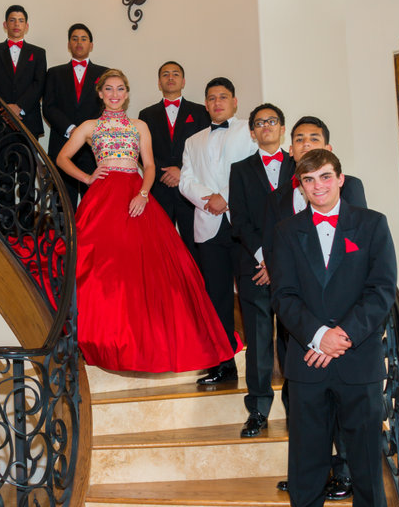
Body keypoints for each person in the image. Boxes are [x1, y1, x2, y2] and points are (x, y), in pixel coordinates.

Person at [56, 69, 238, 373]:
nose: (115, 95)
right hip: (102, 198)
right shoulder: (89, 126)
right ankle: (104, 336)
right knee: (101, 266)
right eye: (109, 90)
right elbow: (62, 158)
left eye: (120, 89)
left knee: (152, 267)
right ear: (100, 93)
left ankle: (146, 336)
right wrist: (87, 177)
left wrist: (142, 193)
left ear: (127, 94)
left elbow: (150, 166)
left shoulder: (139, 125)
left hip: (135, 194)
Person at [270, 149, 396, 507]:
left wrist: (340, 336)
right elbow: (283, 296)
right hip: (307, 362)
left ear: (341, 179)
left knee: (364, 461)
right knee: (307, 459)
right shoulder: (284, 232)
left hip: (358, 361)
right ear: (300, 187)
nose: (318, 186)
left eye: (325, 177)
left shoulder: (372, 224)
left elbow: (381, 290)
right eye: (309, 181)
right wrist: (317, 335)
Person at [263, 115, 367, 498]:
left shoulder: (349, 187)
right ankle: (310, 470)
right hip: (294, 318)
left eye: (315, 138)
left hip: (338, 326)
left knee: (340, 401)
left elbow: (355, 257)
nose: (307, 144)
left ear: (329, 149)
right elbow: (272, 244)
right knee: (298, 396)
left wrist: (331, 333)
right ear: (291, 150)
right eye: (300, 139)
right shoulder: (278, 197)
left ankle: (342, 471)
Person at [179, 77, 257, 384]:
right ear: (205, 103)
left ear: (235, 102)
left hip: (243, 223)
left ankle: (259, 365)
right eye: (211, 98)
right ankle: (223, 365)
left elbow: (254, 167)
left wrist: (226, 195)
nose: (217, 103)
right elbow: (185, 181)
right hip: (209, 225)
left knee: (252, 296)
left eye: (223, 97)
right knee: (217, 298)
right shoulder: (192, 140)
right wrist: (208, 199)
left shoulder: (249, 130)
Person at [229, 104, 294, 436]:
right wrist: (265, 259)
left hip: (295, 270)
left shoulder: (300, 166)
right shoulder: (239, 170)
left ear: (282, 128)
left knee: (293, 338)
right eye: (259, 123)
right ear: (252, 132)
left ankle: (298, 406)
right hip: (254, 267)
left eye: (272, 121)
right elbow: (238, 220)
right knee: (257, 342)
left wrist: (280, 261)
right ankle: (258, 409)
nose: (266, 126)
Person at [0, 5, 46, 232]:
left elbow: (39, 85)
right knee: (4, 174)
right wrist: (6, 108)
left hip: (26, 121)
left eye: (21, 20)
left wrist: (19, 107)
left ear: (26, 26)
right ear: (5, 25)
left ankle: (27, 221)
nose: (16, 24)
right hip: (1, 121)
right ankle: (6, 221)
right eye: (12, 20)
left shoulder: (38, 53)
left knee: (27, 175)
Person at [138, 61, 210, 256]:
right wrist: (165, 172)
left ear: (183, 81)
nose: (171, 78)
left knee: (193, 244)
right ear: (159, 83)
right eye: (165, 74)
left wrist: (181, 171)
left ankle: (196, 285)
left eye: (175, 74)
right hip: (158, 189)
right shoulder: (146, 114)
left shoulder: (201, 112)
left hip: (190, 188)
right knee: (159, 244)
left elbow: (204, 148)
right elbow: (140, 150)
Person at [43, 23, 108, 209]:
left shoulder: (104, 74)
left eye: (84, 39)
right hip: (62, 145)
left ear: (91, 45)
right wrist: (72, 130)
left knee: (93, 202)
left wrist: (85, 133)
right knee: (63, 201)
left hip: (92, 147)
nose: (79, 43)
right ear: (69, 44)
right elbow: (48, 107)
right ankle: (65, 238)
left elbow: (107, 107)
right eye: (75, 39)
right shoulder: (54, 73)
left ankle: (90, 239)